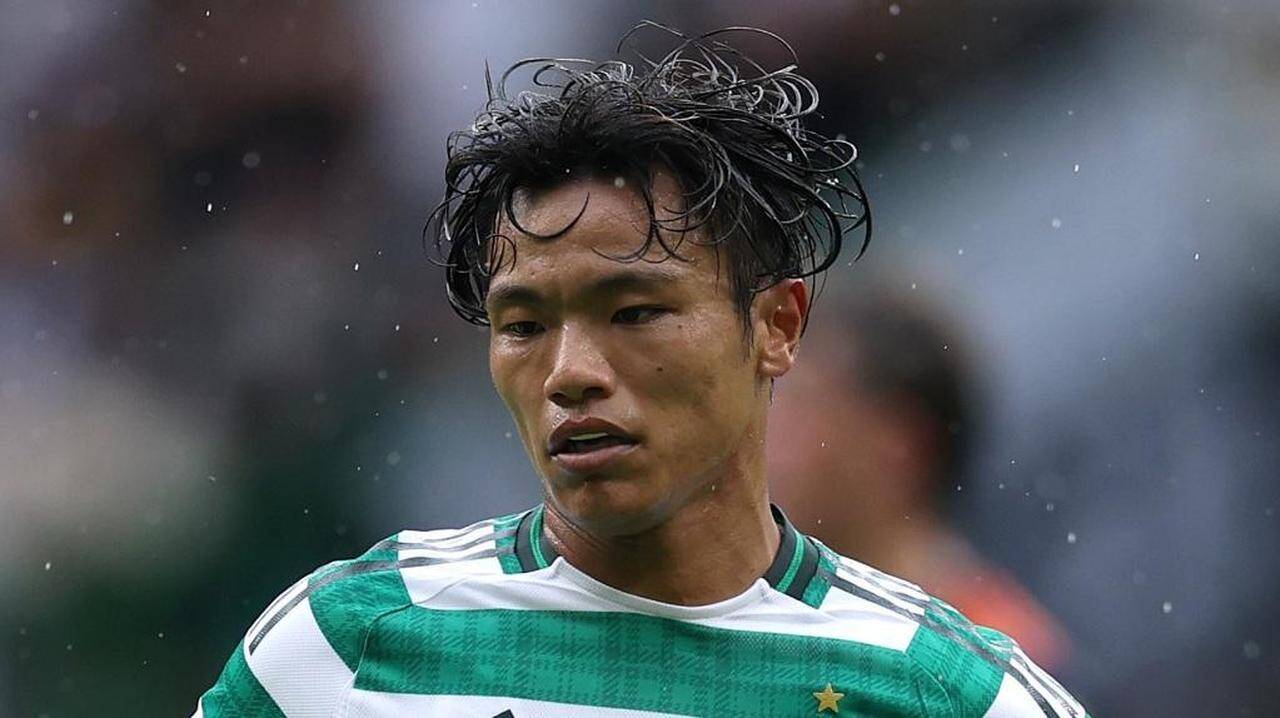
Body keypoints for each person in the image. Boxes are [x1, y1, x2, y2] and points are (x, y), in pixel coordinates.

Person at [195, 24, 1088, 717]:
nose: (570, 373)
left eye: (634, 312)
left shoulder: (947, 693)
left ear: (777, 327)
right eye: (523, 325)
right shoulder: (348, 646)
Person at [768, 282, 1073, 672]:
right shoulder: (775, 628)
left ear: (897, 445)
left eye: (806, 404)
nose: (771, 434)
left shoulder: (999, 666)